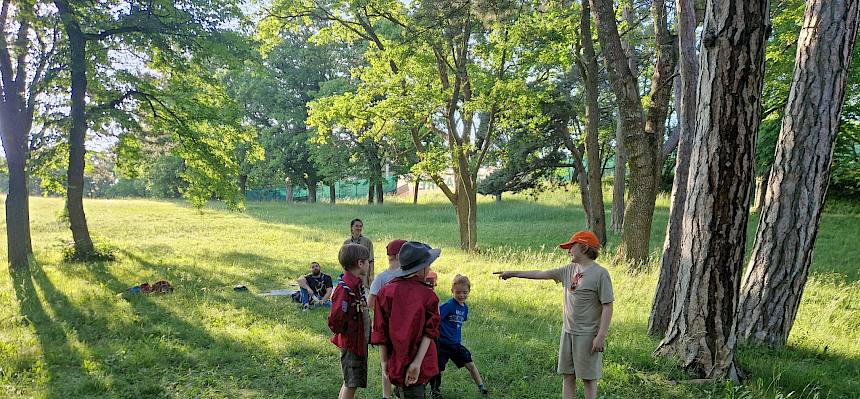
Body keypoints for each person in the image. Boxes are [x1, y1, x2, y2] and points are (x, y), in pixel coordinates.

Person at [494, 231, 613, 399]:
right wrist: (512, 273)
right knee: (567, 375)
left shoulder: (600, 274)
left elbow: (607, 306)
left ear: (584, 248)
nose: (568, 250)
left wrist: (601, 336)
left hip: (587, 335)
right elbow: (541, 273)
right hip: (568, 332)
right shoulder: (568, 270)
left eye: (572, 247)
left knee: (588, 378)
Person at [372, 241, 441, 399]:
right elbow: (430, 332)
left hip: (396, 360)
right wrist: (416, 363)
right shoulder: (428, 295)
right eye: (428, 266)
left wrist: (384, 362)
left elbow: (379, 331)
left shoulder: (385, 292)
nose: (429, 269)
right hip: (419, 362)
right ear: (421, 268)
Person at [430, 274, 488, 398]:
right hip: (442, 344)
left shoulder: (465, 308)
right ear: (452, 291)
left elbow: (459, 323)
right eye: (458, 292)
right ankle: (434, 391)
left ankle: (481, 387)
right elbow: (436, 319)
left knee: (470, 364)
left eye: (464, 292)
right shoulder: (448, 305)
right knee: (437, 369)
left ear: (469, 291)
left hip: (456, 344)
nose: (461, 295)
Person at [329, 244, 372, 399]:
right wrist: (349, 331)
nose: (369, 264)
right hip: (352, 343)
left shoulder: (356, 284)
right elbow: (335, 320)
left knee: (349, 382)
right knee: (351, 383)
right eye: (368, 261)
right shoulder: (346, 288)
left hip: (358, 341)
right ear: (360, 263)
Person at [368, 239, 408, 399]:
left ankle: (387, 395)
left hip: (384, 327)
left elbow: (370, 303)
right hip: (402, 328)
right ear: (400, 256)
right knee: (400, 359)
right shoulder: (405, 276)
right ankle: (399, 392)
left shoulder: (380, 277)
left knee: (385, 362)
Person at [345, 218, 375, 288]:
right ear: (351, 227)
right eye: (357, 226)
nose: (359, 228)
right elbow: (344, 261)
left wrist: (371, 275)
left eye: (360, 226)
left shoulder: (367, 242)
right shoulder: (346, 243)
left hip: (364, 276)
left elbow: (371, 260)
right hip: (351, 275)